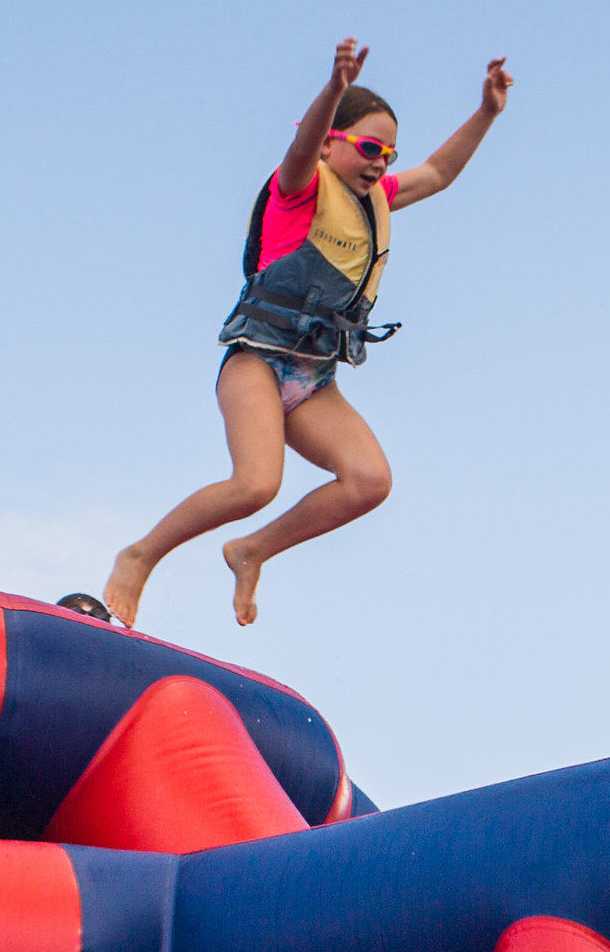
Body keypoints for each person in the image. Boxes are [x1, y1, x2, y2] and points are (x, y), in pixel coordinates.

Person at [103, 38, 512, 629]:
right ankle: (139, 556)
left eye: (389, 154)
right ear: (330, 142)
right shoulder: (300, 187)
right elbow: (300, 146)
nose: (381, 163)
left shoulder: (379, 198)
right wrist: (335, 89)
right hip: (258, 363)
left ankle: (252, 551)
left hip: (314, 378)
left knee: (369, 481)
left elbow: (442, 172)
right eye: (370, 148)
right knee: (255, 483)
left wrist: (487, 113)